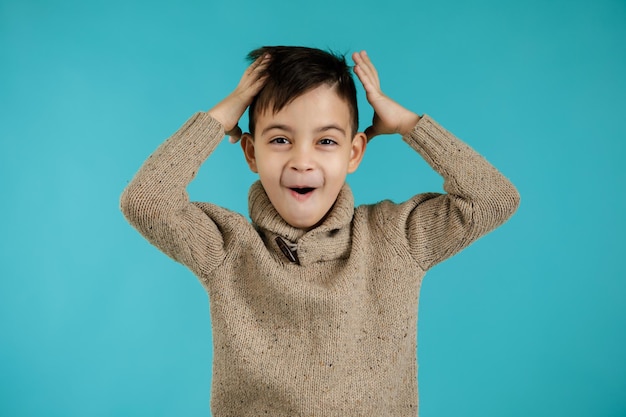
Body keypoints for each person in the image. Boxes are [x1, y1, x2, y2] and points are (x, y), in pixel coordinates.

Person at [120, 46, 520, 416]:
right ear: (251, 153)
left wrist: (409, 124)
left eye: (326, 141)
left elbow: (492, 199)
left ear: (354, 153)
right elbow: (146, 202)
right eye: (280, 139)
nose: (302, 161)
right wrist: (221, 116)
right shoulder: (227, 248)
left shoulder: (394, 237)